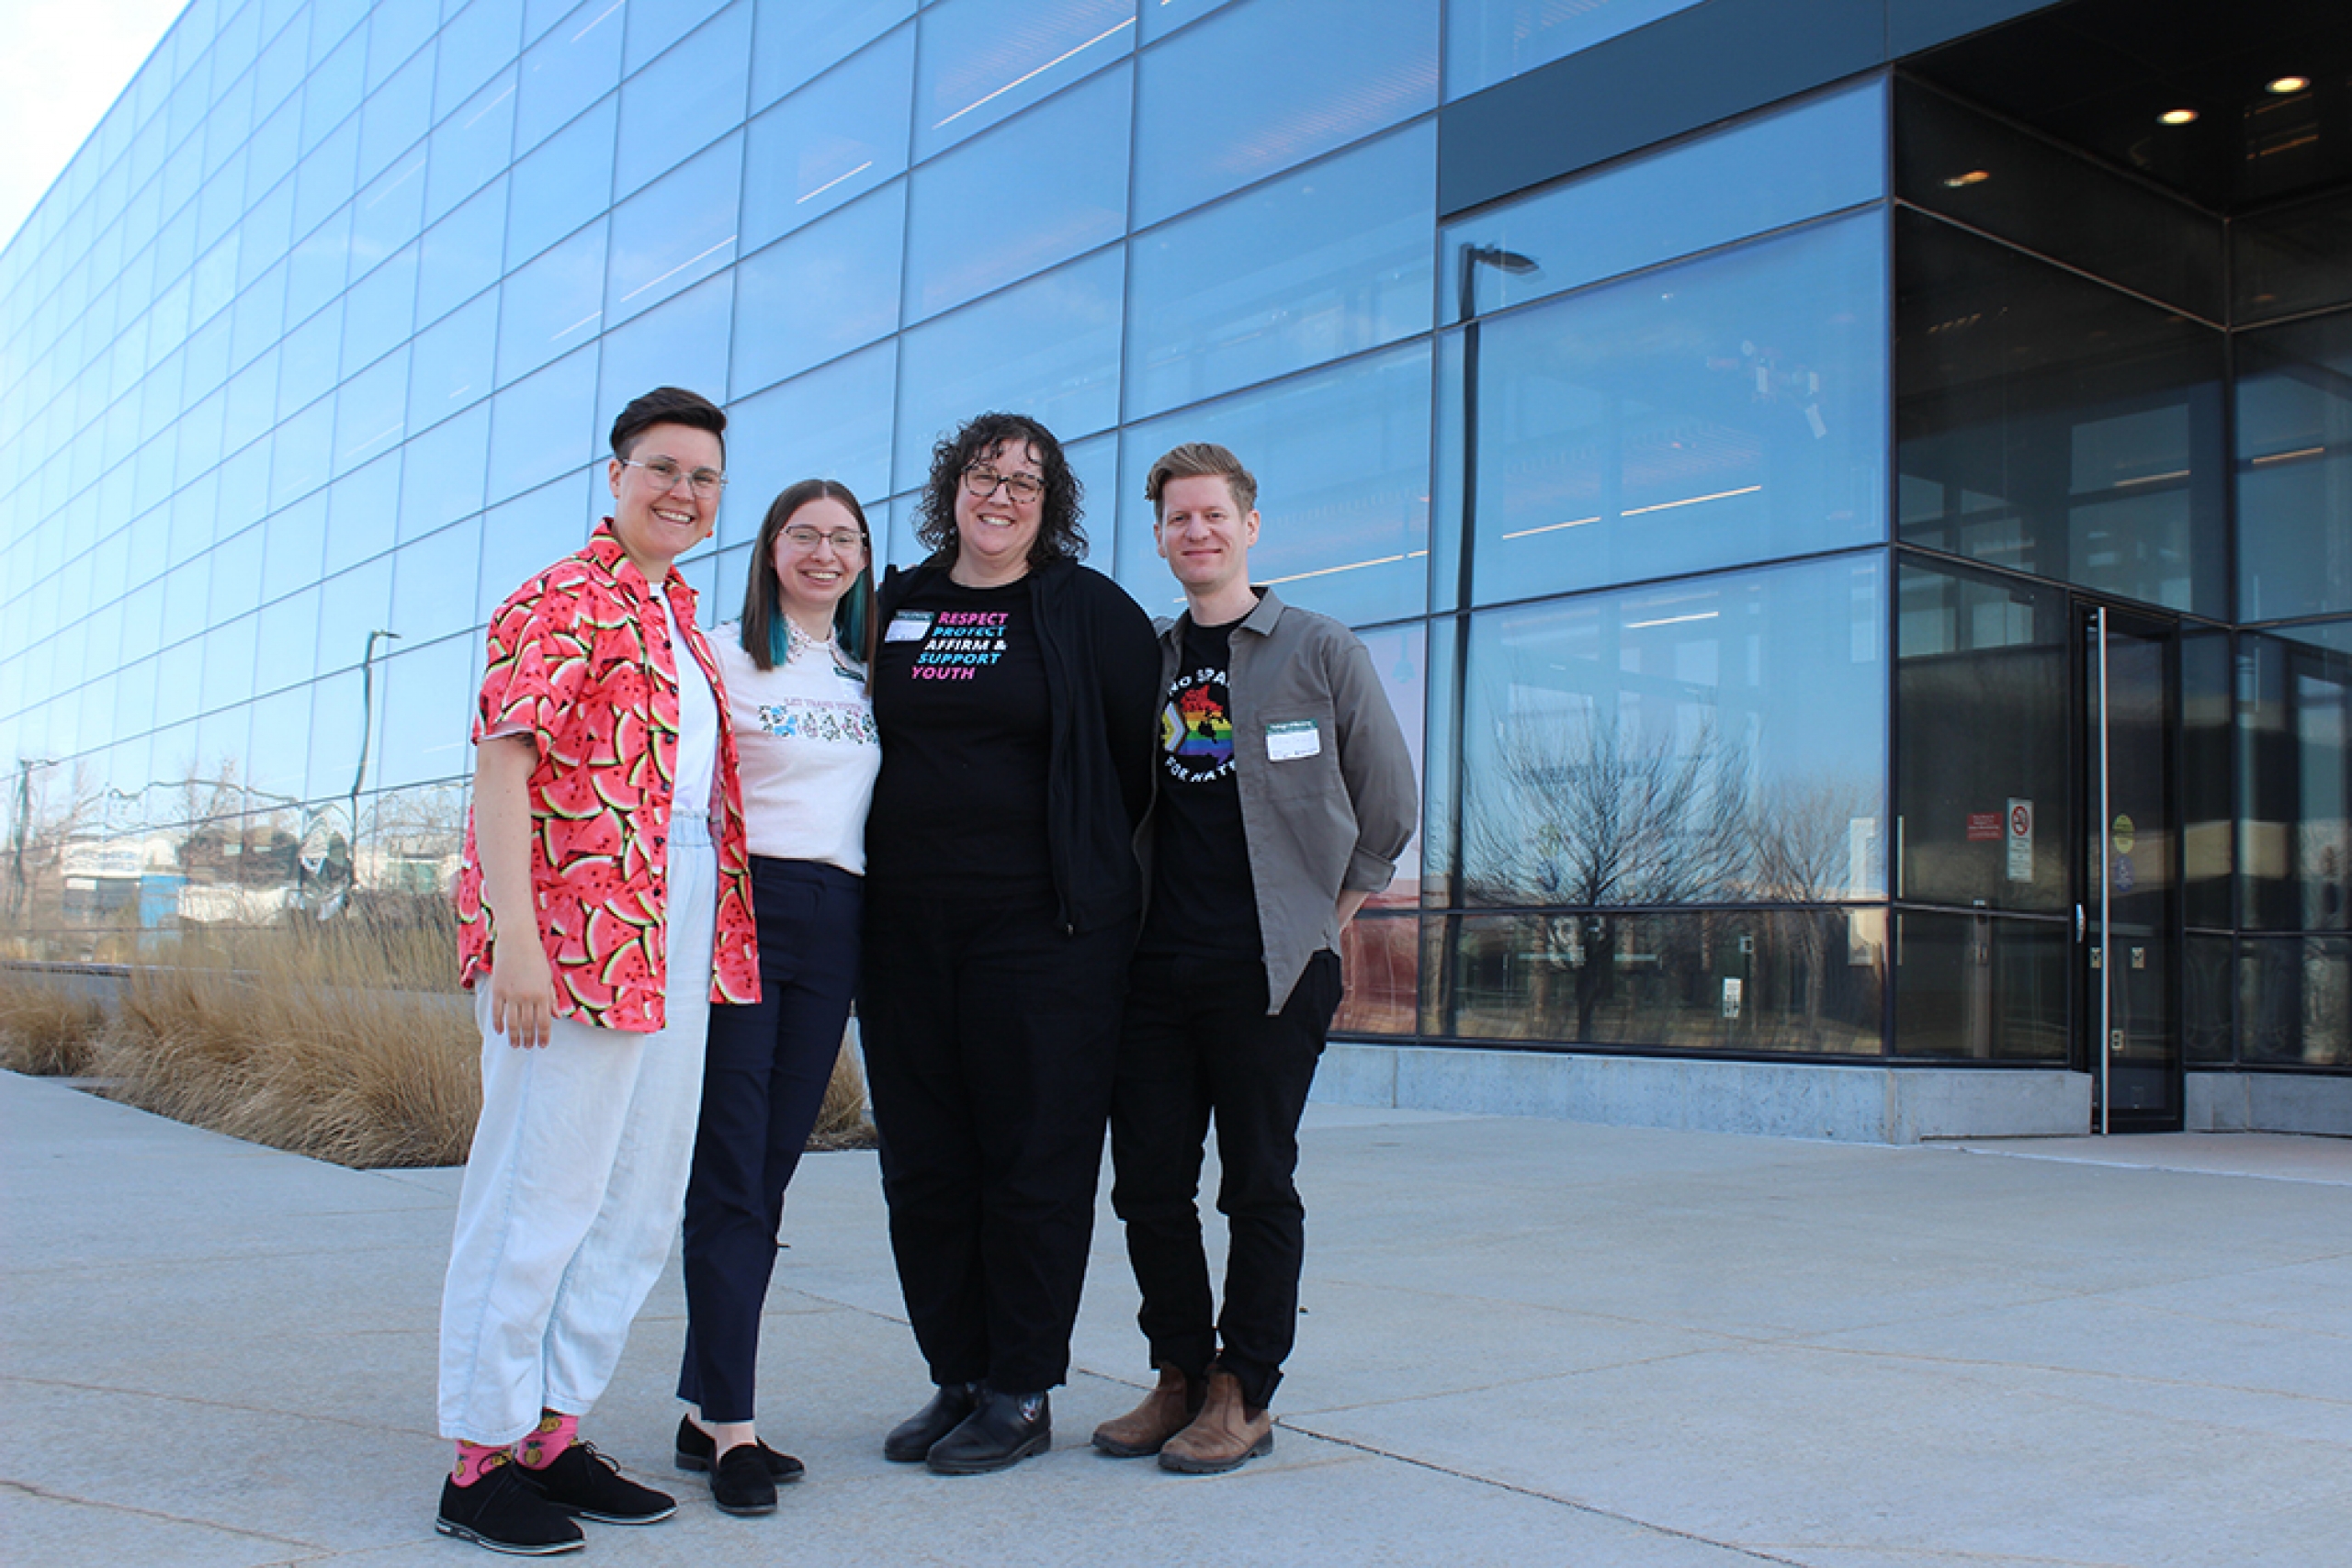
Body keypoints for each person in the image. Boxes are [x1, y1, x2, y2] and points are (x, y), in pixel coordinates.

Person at [435, 387, 759, 1555]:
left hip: (674, 930)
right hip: (572, 939)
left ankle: (551, 1436)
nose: (683, 492)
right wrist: (516, 941)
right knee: (536, 1194)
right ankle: (476, 1460)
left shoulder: (680, 620)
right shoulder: (559, 597)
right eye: (663, 469)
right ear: (616, 476)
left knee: (633, 1198)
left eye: (705, 477)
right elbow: (504, 766)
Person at [1092, 442, 1417, 1474]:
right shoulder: (1145, 657)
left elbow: (1391, 803)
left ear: (1249, 526)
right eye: (1177, 520)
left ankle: (1245, 1389)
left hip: (1271, 969)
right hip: (1154, 966)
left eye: (1213, 516)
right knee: (1147, 1184)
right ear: (1158, 538)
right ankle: (1180, 1374)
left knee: (1256, 1182)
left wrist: (1332, 915)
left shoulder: (1317, 648)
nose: (1196, 533)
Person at [860, 411, 1159, 1475]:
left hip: (1044, 935)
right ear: (952, 486)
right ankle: (957, 1373)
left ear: (1051, 506)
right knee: (925, 1163)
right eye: (985, 476)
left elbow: (1136, 766)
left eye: (1026, 484)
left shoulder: (1088, 612)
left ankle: (1022, 1386)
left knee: (1033, 1159)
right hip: (901, 932)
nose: (1001, 496)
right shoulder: (895, 603)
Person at [674, 480, 880, 1515]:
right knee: (732, 1163)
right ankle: (735, 1428)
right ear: (771, 549)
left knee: (774, 1159)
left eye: (844, 538)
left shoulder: (861, 673)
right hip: (743, 906)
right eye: (805, 534)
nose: (825, 552)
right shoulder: (716, 654)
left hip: (836, 916)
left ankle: (699, 1400)